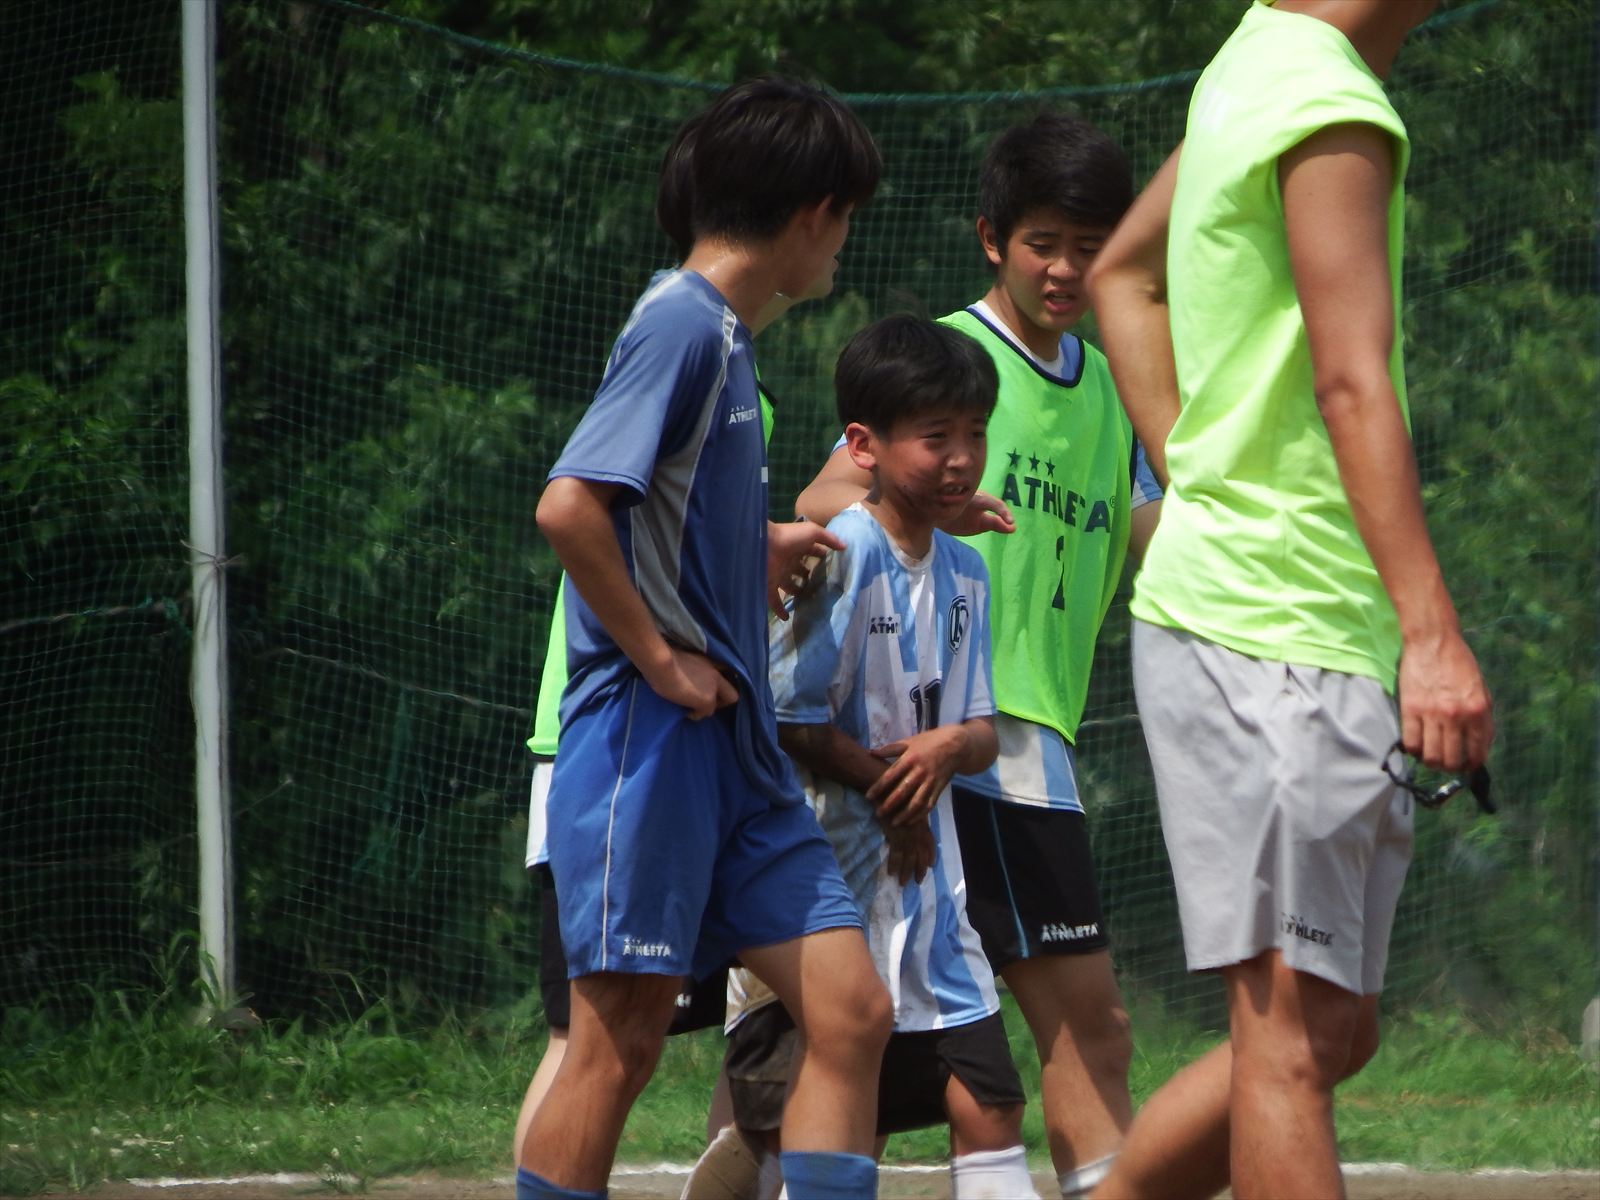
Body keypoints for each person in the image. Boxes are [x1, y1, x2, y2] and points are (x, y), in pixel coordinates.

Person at [1085, 3, 1494, 1197]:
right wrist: (1432, 635)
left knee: (1330, 1027)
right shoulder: (1324, 102)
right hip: (1275, 623)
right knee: (1290, 1038)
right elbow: (1350, 381)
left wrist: (1191, 471)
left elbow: (1121, 273)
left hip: (1283, 615)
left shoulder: (1253, 59)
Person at [521, 77, 893, 1200]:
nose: (843, 245)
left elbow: (660, 520)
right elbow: (570, 508)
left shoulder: (727, 340)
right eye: (845, 218)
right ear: (812, 214)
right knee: (618, 1043)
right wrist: (658, 655)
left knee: (850, 1011)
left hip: (738, 755)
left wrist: (752, 549)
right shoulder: (681, 322)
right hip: (653, 739)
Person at [796, 112, 1159, 1199]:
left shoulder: (1117, 387)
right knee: (1082, 1022)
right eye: (1044, 242)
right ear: (993, 239)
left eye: (1091, 246)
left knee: (865, 1032)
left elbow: (1157, 532)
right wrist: (932, 502)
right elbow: (822, 501)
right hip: (970, 739)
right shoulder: (952, 361)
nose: (1067, 269)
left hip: (1020, 733)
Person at [702, 314, 1037, 1200]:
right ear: (865, 446)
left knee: (991, 1102)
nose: (961, 459)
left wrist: (949, 747)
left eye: (975, 434)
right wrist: (901, 799)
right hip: (833, 884)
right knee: (818, 1118)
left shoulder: (968, 572)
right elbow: (789, 718)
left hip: (932, 901)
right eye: (936, 437)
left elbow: (979, 730)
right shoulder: (844, 552)